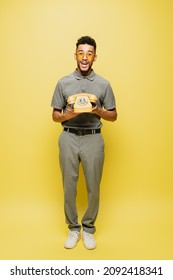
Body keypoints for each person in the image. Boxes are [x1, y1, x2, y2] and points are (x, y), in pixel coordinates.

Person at [51, 36, 117, 250]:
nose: (85, 57)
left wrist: (98, 110)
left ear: (95, 57)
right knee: (69, 186)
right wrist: (67, 115)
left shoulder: (103, 84)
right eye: (81, 53)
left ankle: (88, 229)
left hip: (93, 137)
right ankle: (72, 228)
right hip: (68, 137)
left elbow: (114, 115)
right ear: (75, 55)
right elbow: (55, 115)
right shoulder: (63, 82)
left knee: (93, 186)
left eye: (89, 53)